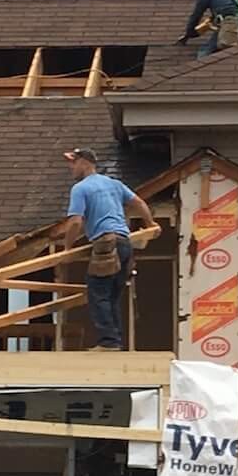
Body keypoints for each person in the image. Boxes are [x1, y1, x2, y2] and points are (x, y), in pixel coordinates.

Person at [62, 148, 152, 350]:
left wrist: (67, 248)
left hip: (105, 243)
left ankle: (109, 342)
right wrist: (150, 223)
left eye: (73, 163)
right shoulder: (114, 184)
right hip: (124, 243)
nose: (71, 168)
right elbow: (138, 202)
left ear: (85, 163)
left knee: (98, 293)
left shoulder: (80, 188)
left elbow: (76, 222)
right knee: (111, 296)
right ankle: (114, 342)